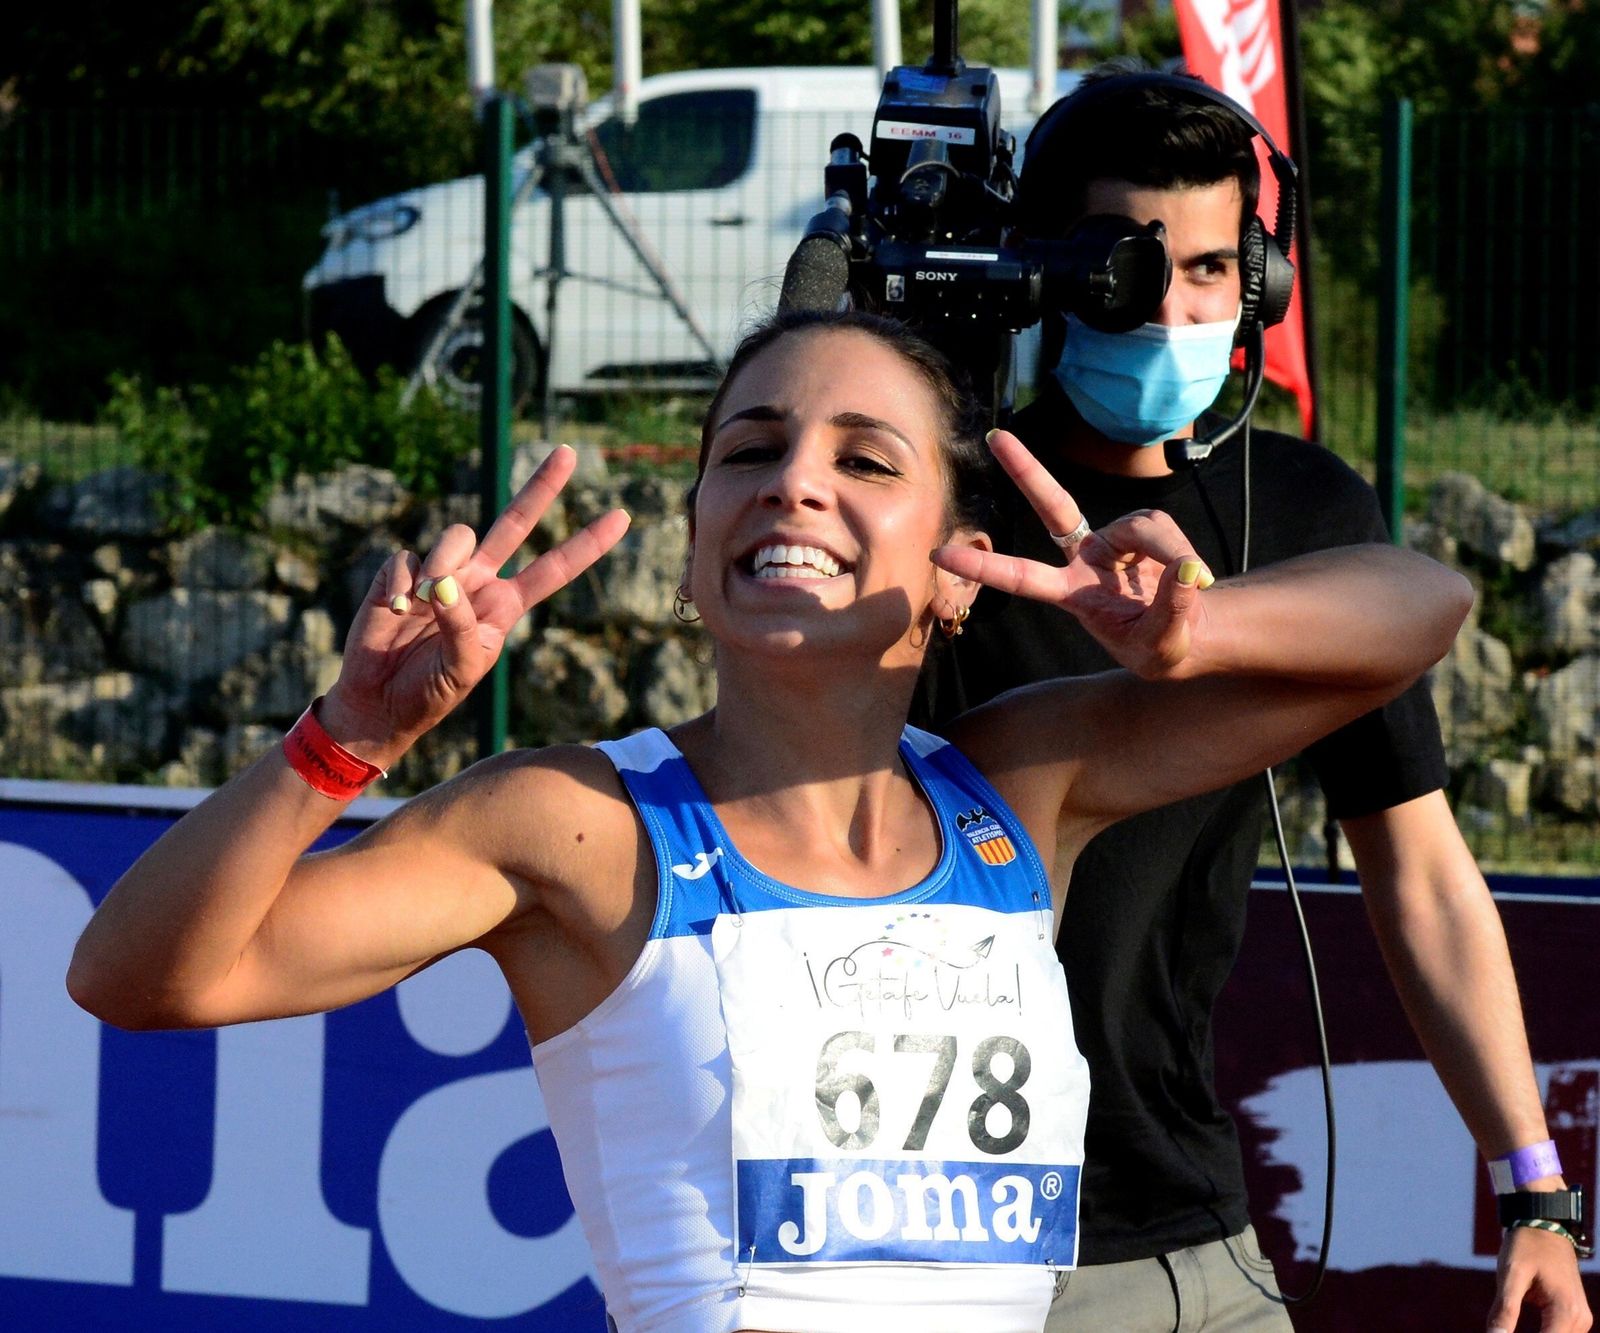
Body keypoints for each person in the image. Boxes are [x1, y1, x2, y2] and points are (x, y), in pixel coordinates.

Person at [67, 309, 1472, 1333]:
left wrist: (1200, 632)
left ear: (955, 569)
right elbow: (138, 977)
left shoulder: (1021, 788)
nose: (793, 479)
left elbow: (1419, 612)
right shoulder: (573, 823)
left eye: (866, 460)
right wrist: (345, 741)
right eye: (750, 448)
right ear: (697, 540)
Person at [914, 66, 1593, 1333]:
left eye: (1212, 269)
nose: (1171, 306)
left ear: (1260, 286)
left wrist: (1535, 1191)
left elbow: (1423, 872)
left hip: (1200, 1241)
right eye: (1126, 263)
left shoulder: (1306, 514)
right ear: (1042, 266)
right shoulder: (931, 511)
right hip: (946, 1237)